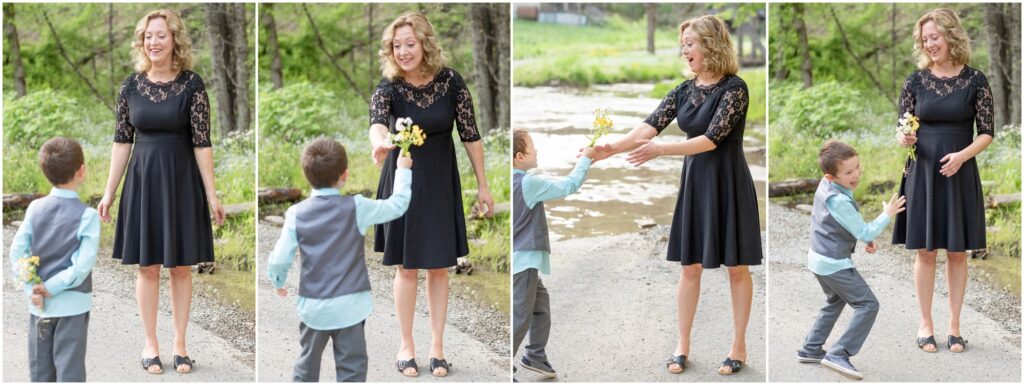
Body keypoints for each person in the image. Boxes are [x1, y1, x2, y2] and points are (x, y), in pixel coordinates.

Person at [588, 15, 761, 375]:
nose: (685, 51)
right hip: (696, 185)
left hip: (727, 182)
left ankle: (738, 346)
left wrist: (660, 150)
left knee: (736, 268)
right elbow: (650, 124)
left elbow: (712, 139)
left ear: (710, 45)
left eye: (690, 44)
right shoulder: (684, 90)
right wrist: (613, 147)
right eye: (683, 45)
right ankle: (682, 344)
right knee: (690, 266)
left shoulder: (735, 88)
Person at [97, 9, 225, 374]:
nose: (153, 42)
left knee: (181, 267)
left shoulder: (192, 84)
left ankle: (181, 345)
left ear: (175, 41)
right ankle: (150, 344)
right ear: (142, 42)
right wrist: (109, 193)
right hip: (143, 182)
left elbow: (203, 144)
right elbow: (122, 142)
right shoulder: (130, 86)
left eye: (160, 35)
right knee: (148, 266)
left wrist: (212, 194)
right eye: (148, 36)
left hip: (181, 180)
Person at [367, 11, 493, 377]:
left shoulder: (451, 82)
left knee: (439, 267)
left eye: (410, 43)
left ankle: (437, 347)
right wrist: (381, 143)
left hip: (440, 179)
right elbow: (376, 123)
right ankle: (406, 345)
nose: (403, 51)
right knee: (406, 268)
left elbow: (470, 134)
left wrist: (483, 184)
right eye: (397, 45)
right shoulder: (388, 87)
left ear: (424, 43)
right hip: (402, 178)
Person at [268, 138, 413, 382]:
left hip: (313, 306)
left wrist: (279, 280)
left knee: (306, 369)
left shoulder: (296, 213)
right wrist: (403, 170)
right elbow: (397, 206)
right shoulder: (357, 207)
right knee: (352, 371)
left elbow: (279, 258)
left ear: (307, 176)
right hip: (351, 306)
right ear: (344, 175)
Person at [893, 8, 993, 354]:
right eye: (925, 39)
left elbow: (987, 133)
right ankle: (925, 324)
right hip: (921, 172)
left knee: (956, 252)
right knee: (925, 250)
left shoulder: (976, 80)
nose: (929, 43)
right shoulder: (915, 81)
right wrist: (904, 137)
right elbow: (903, 126)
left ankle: (954, 326)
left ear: (951, 35)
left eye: (934, 37)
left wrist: (963, 156)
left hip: (959, 172)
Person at [797, 140, 905, 380]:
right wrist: (886, 215)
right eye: (848, 172)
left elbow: (844, 224)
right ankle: (839, 353)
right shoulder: (839, 199)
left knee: (835, 299)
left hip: (818, 258)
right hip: (833, 263)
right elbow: (863, 229)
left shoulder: (826, 186)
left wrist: (863, 236)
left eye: (858, 167)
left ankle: (811, 347)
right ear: (831, 176)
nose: (856, 175)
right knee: (868, 305)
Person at [11, 137, 99, 382]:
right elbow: (82, 266)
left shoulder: (35, 209)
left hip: (38, 305)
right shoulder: (87, 216)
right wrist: (51, 287)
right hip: (73, 305)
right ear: (81, 171)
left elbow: (17, 253)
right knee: (70, 372)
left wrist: (33, 288)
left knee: (40, 373)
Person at [511, 129, 596, 380]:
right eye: (532, 147)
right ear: (518, 156)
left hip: (523, 260)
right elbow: (570, 184)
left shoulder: (517, 180)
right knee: (521, 315)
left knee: (540, 306)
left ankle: (535, 356)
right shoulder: (529, 182)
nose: (536, 151)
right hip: (523, 261)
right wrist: (586, 158)